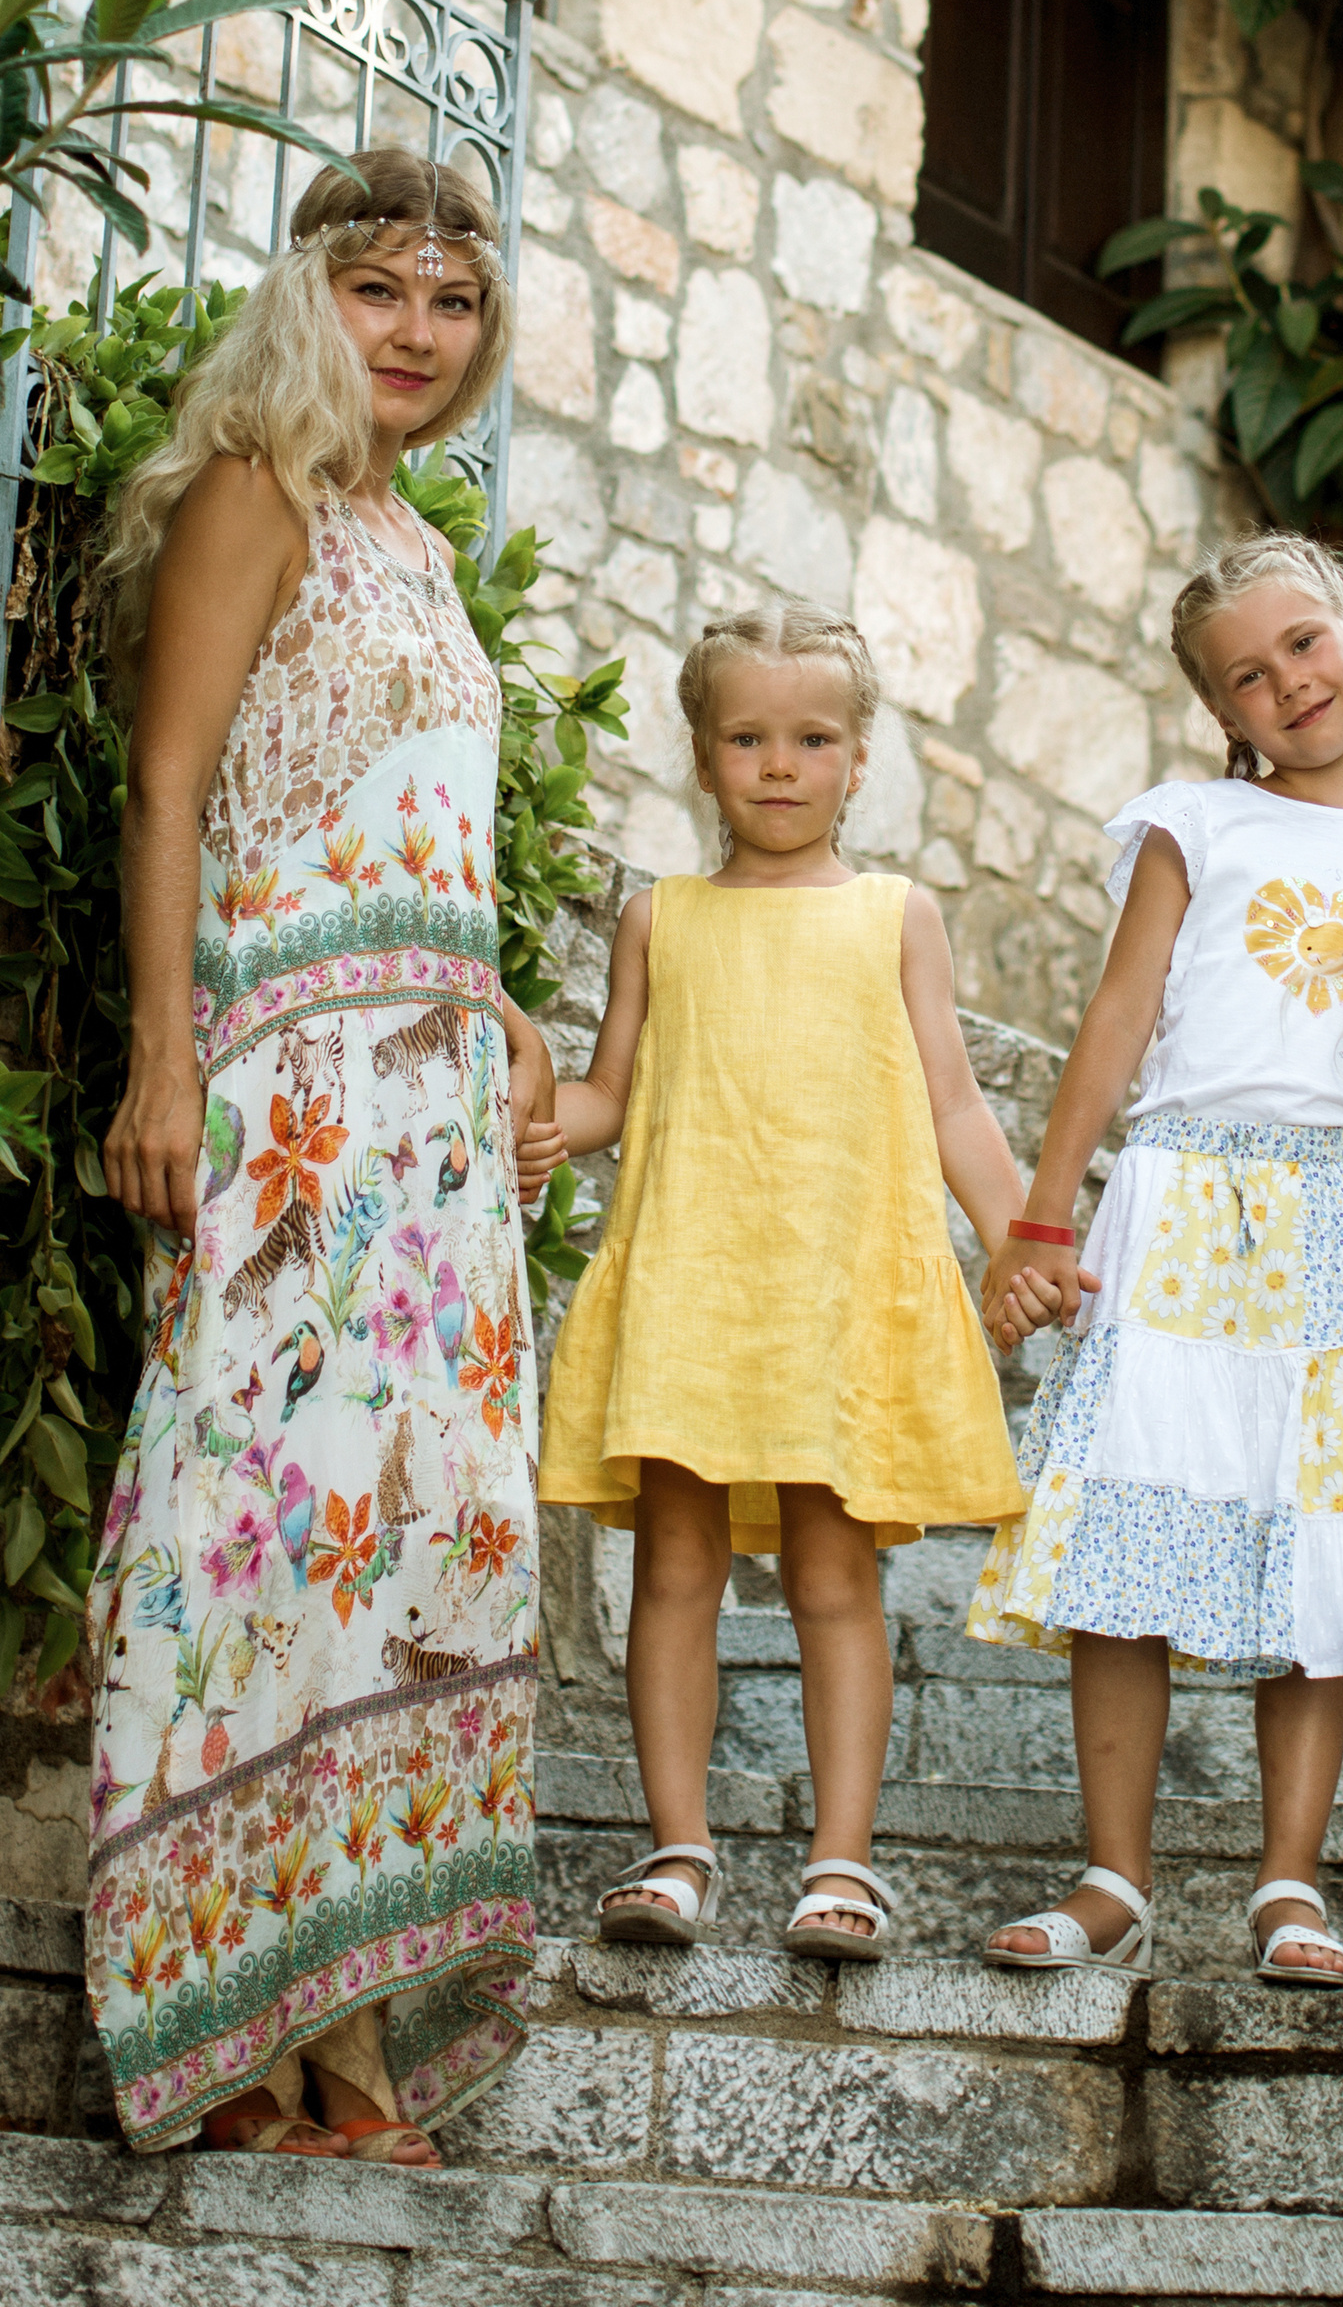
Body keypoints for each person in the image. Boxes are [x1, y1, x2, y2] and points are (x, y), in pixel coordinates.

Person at [86, 150, 558, 2161]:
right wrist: (160, 1064)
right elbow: (171, 786)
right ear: (309, 299)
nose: (419, 335)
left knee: (426, 1532)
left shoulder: (421, 545)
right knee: (268, 1527)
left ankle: (349, 2027)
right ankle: (231, 2042)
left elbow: (406, 816)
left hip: (435, 1116)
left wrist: (497, 1004)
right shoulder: (249, 495)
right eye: (383, 293)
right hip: (288, 1091)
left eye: (453, 304)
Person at [969, 534, 1343, 1989]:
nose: (1287, 682)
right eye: (1247, 675)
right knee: (1129, 1530)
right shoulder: (1195, 827)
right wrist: (1044, 1216)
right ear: (1220, 711)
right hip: (1177, 1198)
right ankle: (1115, 1878)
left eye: (1303, 643)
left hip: (1337, 1211)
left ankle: (1290, 1880)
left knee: (1320, 1530)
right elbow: (1118, 1018)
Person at [530, 601, 1027, 1958]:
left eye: (813, 739)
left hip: (833, 1300)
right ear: (702, 757)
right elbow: (610, 1093)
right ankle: (678, 1849)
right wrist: (534, 1109)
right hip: (693, 1291)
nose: (781, 765)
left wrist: (1018, 1237)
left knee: (832, 1576)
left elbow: (955, 1103)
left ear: (859, 759)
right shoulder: (661, 918)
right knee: (674, 1568)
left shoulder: (895, 916)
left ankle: (841, 1863)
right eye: (747, 738)